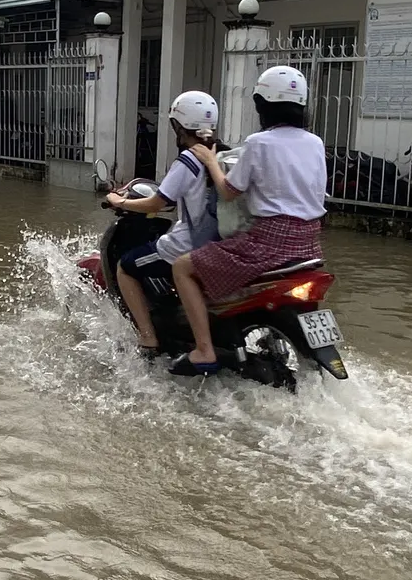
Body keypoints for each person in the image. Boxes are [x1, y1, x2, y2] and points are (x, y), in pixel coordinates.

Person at [169, 65, 327, 377]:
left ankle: (203, 350)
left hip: (268, 243)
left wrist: (212, 161)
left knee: (183, 267)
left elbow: (228, 192)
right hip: (309, 245)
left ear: (263, 106)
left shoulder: (259, 142)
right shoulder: (315, 142)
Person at [105, 91, 220, 359]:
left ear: (178, 126)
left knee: (126, 266)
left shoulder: (188, 160)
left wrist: (119, 202)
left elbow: (156, 204)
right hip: (221, 242)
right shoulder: (219, 154)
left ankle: (147, 338)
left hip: (186, 245)